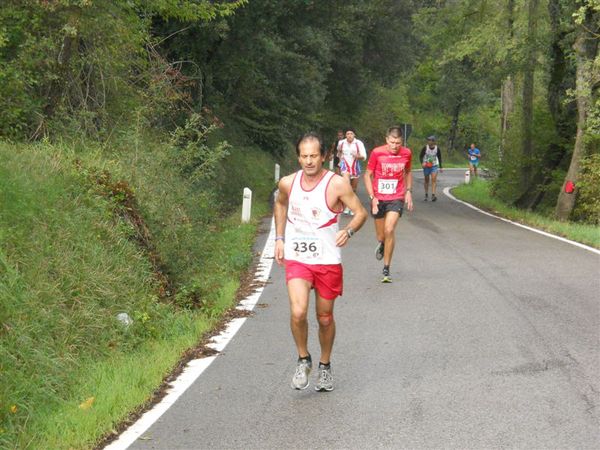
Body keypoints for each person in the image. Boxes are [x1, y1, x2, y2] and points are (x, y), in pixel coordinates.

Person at [274, 132, 367, 392]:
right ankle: (304, 359)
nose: (309, 161)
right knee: (298, 311)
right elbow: (280, 205)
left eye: (314, 156)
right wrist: (280, 237)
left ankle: (325, 365)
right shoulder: (288, 183)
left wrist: (348, 231)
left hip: (327, 260)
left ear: (323, 156)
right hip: (298, 258)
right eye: (304, 156)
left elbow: (361, 213)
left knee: (324, 317)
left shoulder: (337, 184)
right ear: (298, 157)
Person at [364, 126, 414, 283]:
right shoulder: (377, 152)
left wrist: (408, 191)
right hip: (379, 198)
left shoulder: (407, 153)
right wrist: (372, 197)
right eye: (392, 142)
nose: (395, 146)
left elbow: (408, 172)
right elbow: (368, 175)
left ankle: (386, 268)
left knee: (389, 229)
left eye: (398, 143)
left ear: (402, 142)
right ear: (387, 140)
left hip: (396, 197)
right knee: (381, 235)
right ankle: (382, 243)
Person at [337, 128, 367, 215]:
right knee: (347, 186)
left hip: (355, 167)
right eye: (347, 134)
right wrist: (340, 159)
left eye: (351, 134)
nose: (349, 135)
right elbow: (339, 153)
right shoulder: (341, 142)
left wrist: (357, 156)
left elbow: (364, 157)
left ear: (354, 135)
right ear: (345, 135)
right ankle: (346, 206)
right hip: (345, 166)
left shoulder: (359, 143)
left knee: (353, 189)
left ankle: (352, 207)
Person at [419, 135, 443, 202]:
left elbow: (439, 158)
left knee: (433, 179)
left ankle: (433, 195)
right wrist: (422, 163)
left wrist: (441, 167)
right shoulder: (425, 148)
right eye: (428, 140)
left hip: (434, 166)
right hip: (426, 166)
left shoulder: (437, 149)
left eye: (430, 140)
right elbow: (420, 156)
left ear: (433, 142)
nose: (429, 142)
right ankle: (426, 194)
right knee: (426, 180)